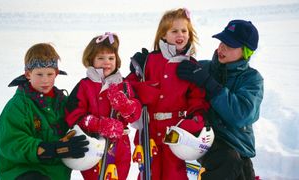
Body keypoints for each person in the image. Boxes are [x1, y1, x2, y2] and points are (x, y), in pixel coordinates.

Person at [127, 8, 209, 180]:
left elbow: (197, 98)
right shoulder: (150, 60)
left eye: (184, 30)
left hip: (177, 130)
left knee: (175, 173)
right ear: (163, 35)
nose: (180, 34)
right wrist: (136, 72)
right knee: (149, 172)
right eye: (174, 31)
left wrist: (195, 118)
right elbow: (130, 88)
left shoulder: (190, 65)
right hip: (149, 129)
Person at [177, 19, 263, 180]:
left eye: (229, 45)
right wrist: (148, 64)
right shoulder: (202, 68)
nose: (221, 47)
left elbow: (241, 115)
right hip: (206, 138)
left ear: (246, 51)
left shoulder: (252, 80)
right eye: (222, 41)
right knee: (228, 161)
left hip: (238, 145)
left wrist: (210, 85)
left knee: (242, 172)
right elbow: (170, 70)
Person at [0, 43, 89, 180]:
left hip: (55, 174)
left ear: (56, 73)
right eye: (39, 74)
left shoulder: (64, 103)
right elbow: (10, 142)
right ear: (28, 74)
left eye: (50, 74)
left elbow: (79, 123)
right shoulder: (18, 105)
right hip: (22, 171)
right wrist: (54, 149)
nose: (45, 80)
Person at [65, 32, 142, 180]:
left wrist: (126, 106)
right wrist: (98, 124)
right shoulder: (85, 85)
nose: (106, 62)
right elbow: (73, 114)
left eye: (111, 58)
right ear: (91, 59)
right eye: (101, 58)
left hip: (120, 147)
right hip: (94, 146)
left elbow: (135, 115)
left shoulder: (124, 85)